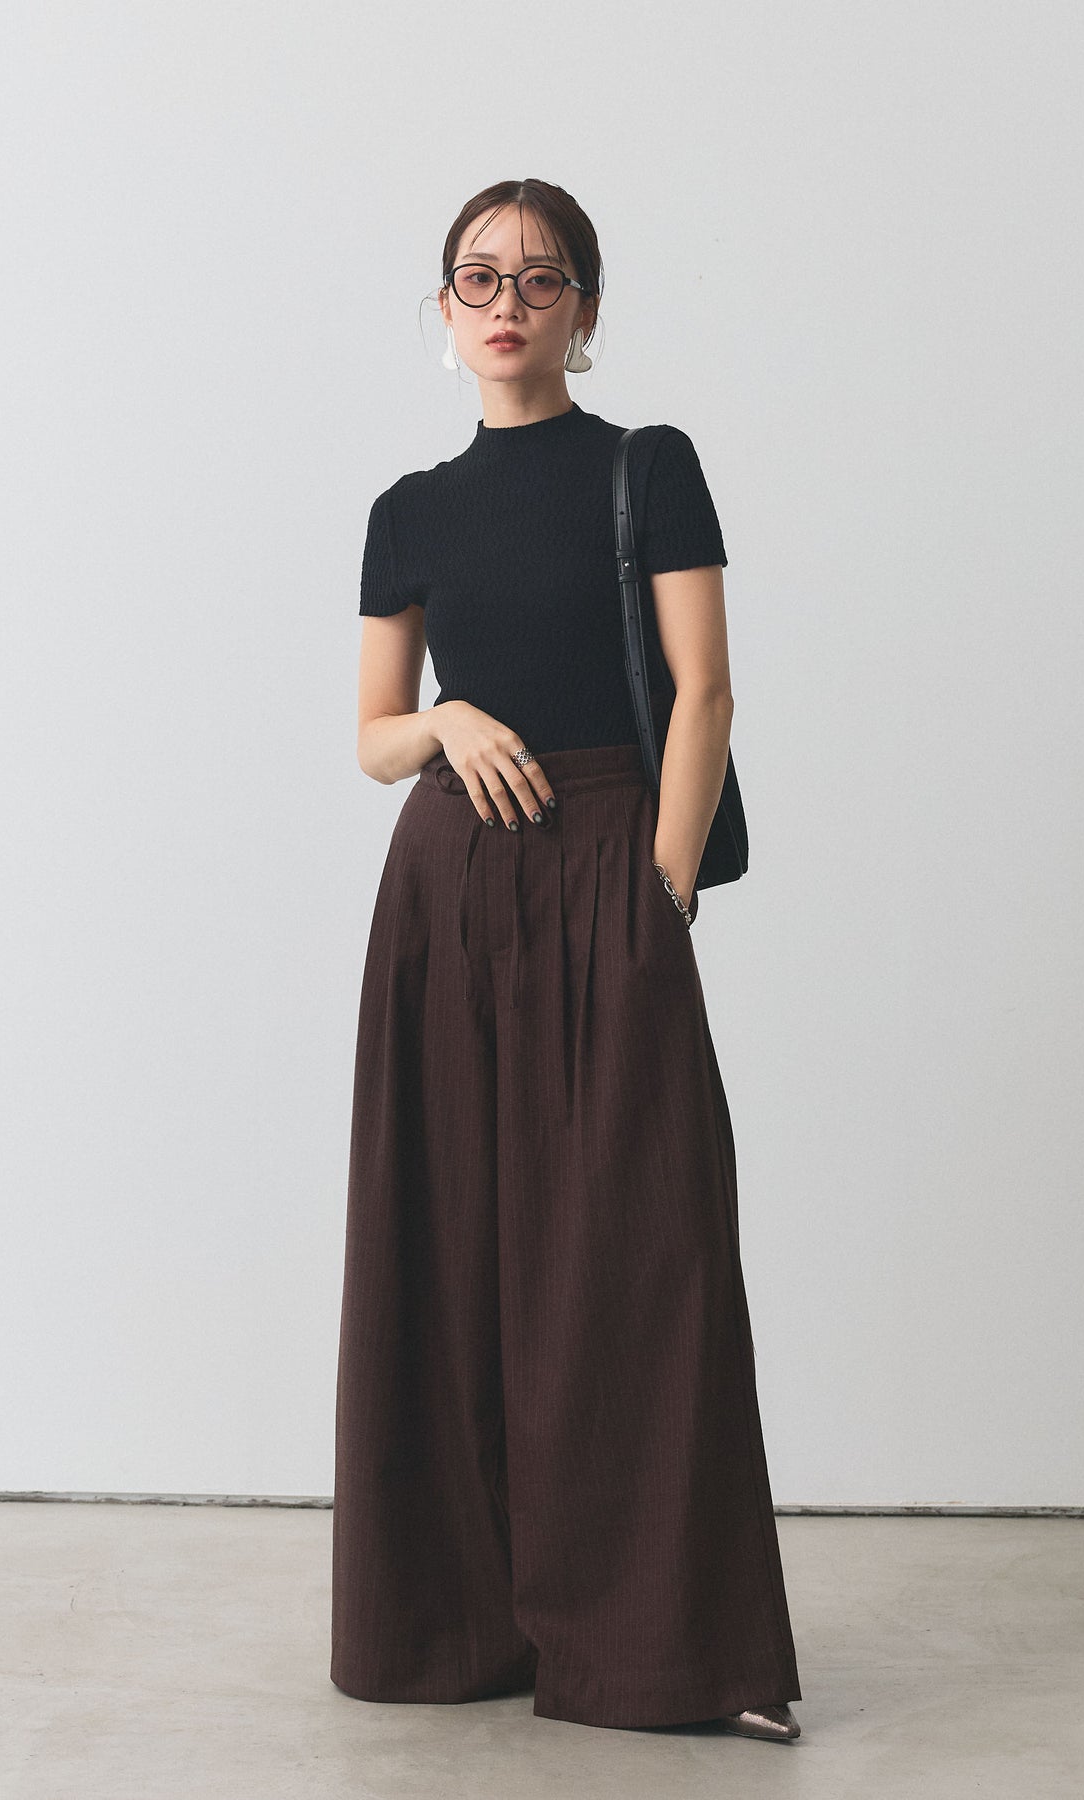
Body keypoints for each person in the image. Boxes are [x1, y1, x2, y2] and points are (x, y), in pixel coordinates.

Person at [330, 178, 803, 1744]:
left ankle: (663, 1653)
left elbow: (703, 692)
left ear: (584, 309)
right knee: (445, 1241)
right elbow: (372, 734)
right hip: (449, 887)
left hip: (610, 857)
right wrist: (445, 722)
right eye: (478, 276)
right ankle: (455, 1630)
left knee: (639, 1254)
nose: (506, 301)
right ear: (442, 306)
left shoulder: (644, 467)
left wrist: (660, 892)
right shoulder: (408, 509)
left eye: (540, 278)